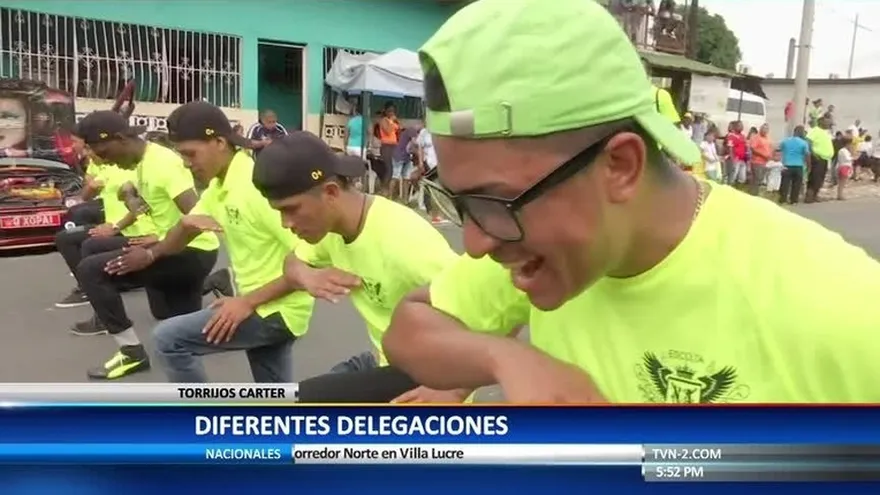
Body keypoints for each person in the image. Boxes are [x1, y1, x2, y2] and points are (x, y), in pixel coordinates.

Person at [382, 0, 880, 403]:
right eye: (461, 203)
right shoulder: (532, 249)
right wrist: (503, 358)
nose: (474, 243)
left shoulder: (845, 309)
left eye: (496, 201)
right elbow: (408, 329)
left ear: (620, 165)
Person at [251, 132, 463, 403]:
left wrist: (455, 389)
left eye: (291, 209)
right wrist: (306, 277)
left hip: (430, 377)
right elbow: (293, 263)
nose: (285, 223)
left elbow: (486, 304)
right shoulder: (331, 229)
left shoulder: (404, 241)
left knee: (305, 402)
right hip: (386, 360)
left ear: (330, 192)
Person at [145, 102, 315, 383]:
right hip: (259, 302)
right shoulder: (219, 186)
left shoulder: (255, 187)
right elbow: (174, 245)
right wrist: (184, 225)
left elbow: (308, 257)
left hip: (277, 309)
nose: (187, 163)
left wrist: (246, 303)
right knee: (273, 397)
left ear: (219, 142)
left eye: (191, 154)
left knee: (168, 339)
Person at [71, 110, 220, 379]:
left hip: (192, 251)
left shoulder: (162, 164)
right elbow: (152, 204)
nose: (106, 162)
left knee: (92, 270)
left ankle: (131, 354)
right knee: (169, 319)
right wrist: (129, 201)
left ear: (120, 139)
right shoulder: (140, 161)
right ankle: (215, 288)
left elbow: (199, 219)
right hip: (172, 245)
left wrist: (159, 244)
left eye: (104, 153)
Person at [55, 137, 158, 309]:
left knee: (89, 246)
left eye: (90, 149)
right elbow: (91, 182)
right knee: (66, 238)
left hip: (137, 231)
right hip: (117, 226)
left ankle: (95, 292)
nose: (86, 153)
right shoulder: (110, 167)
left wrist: (116, 227)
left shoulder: (132, 169)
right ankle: (90, 288)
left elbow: (140, 207)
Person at [777, 125, 810, 205]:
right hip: (799, 165)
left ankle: (783, 199)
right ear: (801, 133)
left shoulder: (785, 141)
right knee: (796, 184)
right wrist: (809, 166)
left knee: (785, 183)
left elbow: (778, 149)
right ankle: (794, 200)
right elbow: (807, 155)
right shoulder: (804, 143)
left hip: (787, 165)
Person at [805, 117, 834, 203]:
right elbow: (808, 141)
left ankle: (815, 195)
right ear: (821, 122)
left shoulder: (826, 132)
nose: (828, 124)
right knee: (815, 177)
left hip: (824, 159)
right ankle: (809, 196)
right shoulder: (815, 130)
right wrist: (813, 153)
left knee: (820, 178)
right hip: (818, 158)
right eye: (827, 122)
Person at [747, 123, 772, 196]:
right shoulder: (756, 137)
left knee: (760, 179)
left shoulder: (767, 138)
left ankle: (755, 193)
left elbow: (769, 147)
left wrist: (770, 155)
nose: (765, 131)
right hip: (757, 162)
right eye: (764, 129)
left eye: (767, 129)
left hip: (765, 162)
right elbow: (753, 149)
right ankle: (752, 194)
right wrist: (763, 155)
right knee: (756, 179)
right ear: (760, 129)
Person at [724, 121, 748, 186]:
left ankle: (738, 188)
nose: (742, 127)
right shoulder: (731, 136)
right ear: (735, 127)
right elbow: (730, 148)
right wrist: (733, 159)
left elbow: (745, 146)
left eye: (742, 125)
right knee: (732, 177)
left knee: (742, 178)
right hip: (735, 159)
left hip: (742, 160)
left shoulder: (743, 136)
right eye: (740, 125)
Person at [835, 137, 854, 201]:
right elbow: (847, 159)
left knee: (841, 182)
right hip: (844, 167)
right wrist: (853, 157)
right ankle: (840, 195)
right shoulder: (843, 150)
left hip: (842, 166)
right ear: (847, 143)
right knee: (842, 182)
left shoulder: (842, 150)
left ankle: (839, 195)